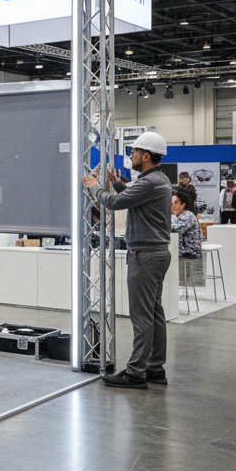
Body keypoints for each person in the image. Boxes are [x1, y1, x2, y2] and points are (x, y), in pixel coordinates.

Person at [83, 131, 173, 389]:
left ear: (145, 155)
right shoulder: (158, 180)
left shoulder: (149, 182)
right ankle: (155, 368)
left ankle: (135, 373)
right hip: (155, 254)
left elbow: (114, 202)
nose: (130, 156)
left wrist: (94, 186)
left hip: (144, 256)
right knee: (154, 313)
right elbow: (134, 199)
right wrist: (117, 183)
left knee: (142, 316)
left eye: (133, 152)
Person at [170, 189, 203, 288]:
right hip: (179, 251)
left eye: (176, 203)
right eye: (171, 203)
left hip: (188, 252)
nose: (173, 206)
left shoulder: (188, 216)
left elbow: (174, 229)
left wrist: (171, 216)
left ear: (183, 205)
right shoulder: (178, 216)